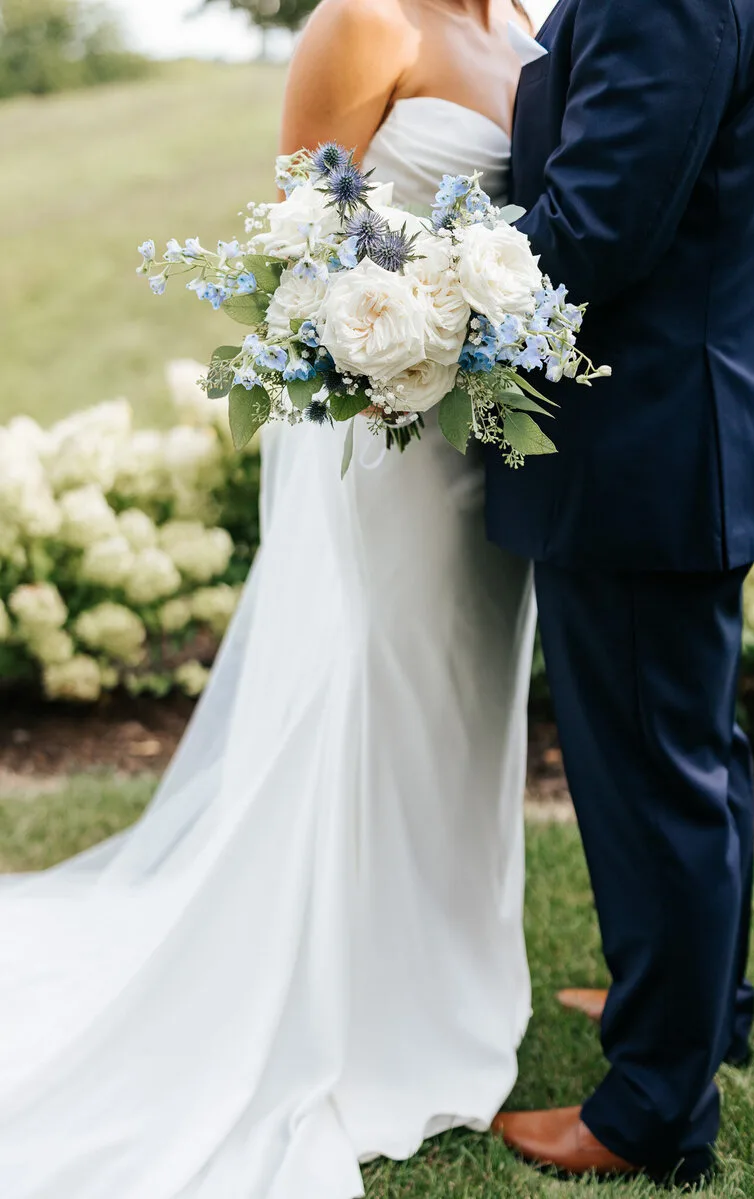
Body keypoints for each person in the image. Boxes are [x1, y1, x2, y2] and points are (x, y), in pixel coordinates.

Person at [0, 3, 540, 1196]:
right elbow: (301, 246)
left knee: (465, 692)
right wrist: (407, 336)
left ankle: (443, 967)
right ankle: (349, 994)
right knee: (375, 684)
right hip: (382, 438)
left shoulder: (523, 27)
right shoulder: (359, 21)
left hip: (484, 440)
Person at [488, 0, 754, 1185]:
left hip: (645, 440)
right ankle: (697, 1003)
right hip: (694, 422)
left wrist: (427, 292)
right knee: (688, 748)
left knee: (652, 769)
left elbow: (593, 230)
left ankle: (651, 1103)